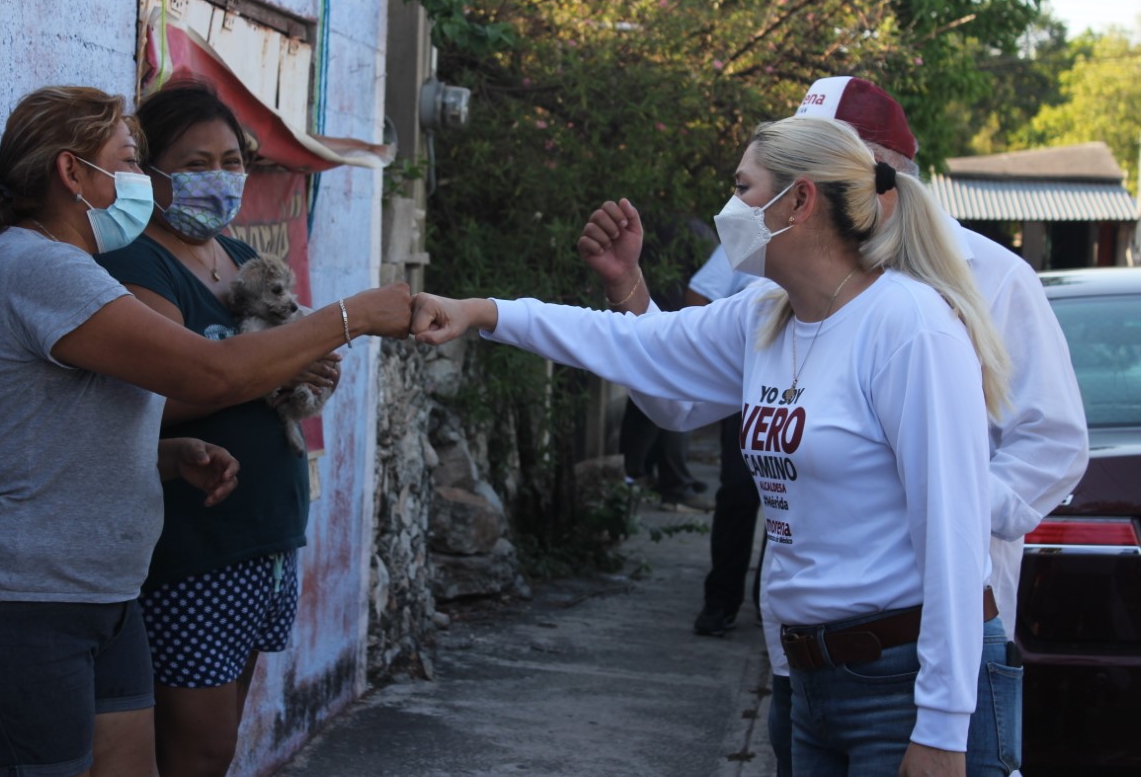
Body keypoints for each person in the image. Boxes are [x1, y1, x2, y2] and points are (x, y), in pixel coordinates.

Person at [413, 114, 1010, 775]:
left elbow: (954, 539)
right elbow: (649, 362)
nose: (732, 208)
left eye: (744, 187)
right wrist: (484, 312)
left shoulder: (909, 328)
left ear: (800, 200)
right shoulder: (766, 314)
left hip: (904, 686)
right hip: (809, 680)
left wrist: (943, 728)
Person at [583, 77, 1090, 776]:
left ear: (873, 171)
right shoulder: (784, 287)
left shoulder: (992, 278)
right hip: (807, 653)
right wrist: (628, 295)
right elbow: (676, 402)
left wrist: (945, 498)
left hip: (930, 649)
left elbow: (1054, 441)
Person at [0, 85, 412, 777]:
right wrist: (354, 316)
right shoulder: (39, 266)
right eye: (132, 161)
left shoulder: (72, 269)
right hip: (18, 602)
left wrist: (166, 455)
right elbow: (206, 374)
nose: (144, 182)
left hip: (99, 595)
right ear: (72, 173)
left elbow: (50, 421)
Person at [94, 81, 333, 776]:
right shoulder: (135, 263)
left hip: (266, 533)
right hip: (193, 543)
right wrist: (277, 366)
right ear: (153, 172)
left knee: (220, 742)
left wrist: (310, 373)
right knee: (191, 749)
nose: (221, 179)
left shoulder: (237, 257)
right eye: (196, 165)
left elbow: (269, 359)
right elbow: (160, 391)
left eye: (232, 161)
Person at [684, 246, 761, 636]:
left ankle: (772, 605)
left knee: (799, 500)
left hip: (814, 384)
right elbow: (701, 291)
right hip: (747, 387)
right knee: (738, 492)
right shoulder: (752, 230)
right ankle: (720, 601)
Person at [618, 215, 716, 511]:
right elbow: (702, 291)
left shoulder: (647, 224)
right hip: (674, 331)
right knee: (673, 405)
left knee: (644, 404)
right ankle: (673, 484)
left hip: (645, 323)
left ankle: (632, 475)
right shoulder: (697, 233)